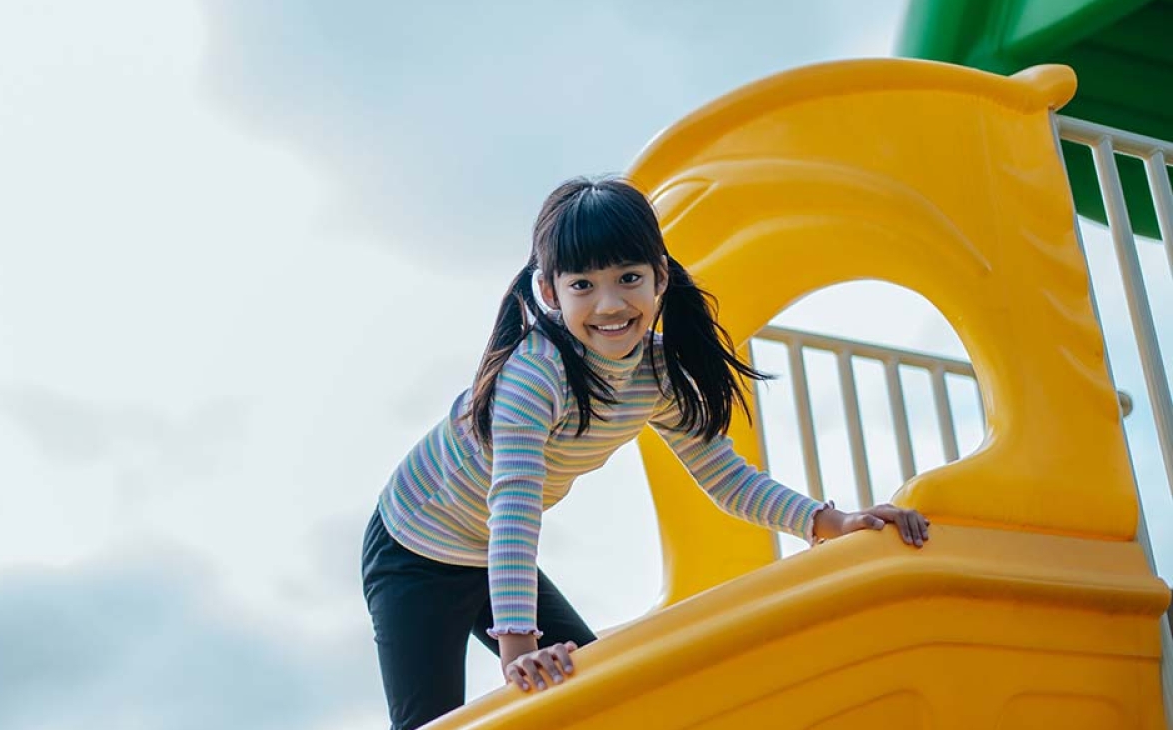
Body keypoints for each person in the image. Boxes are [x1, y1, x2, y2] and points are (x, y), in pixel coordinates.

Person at [360, 177, 930, 730]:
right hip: (413, 550)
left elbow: (726, 477)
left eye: (628, 277)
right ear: (550, 291)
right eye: (582, 285)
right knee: (434, 724)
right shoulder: (537, 372)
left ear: (660, 277)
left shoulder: (658, 373)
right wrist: (518, 652)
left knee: (599, 689)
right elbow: (514, 502)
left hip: (489, 552)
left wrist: (832, 521)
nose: (610, 304)